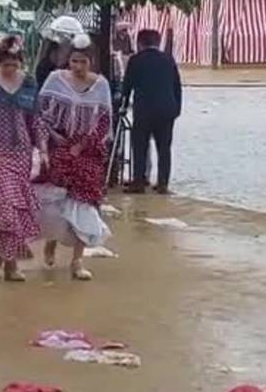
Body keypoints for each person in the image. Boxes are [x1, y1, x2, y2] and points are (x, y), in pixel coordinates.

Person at [0, 36, 49, 282]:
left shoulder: (29, 83)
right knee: (5, 205)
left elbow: (36, 120)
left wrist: (43, 149)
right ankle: (10, 263)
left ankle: (6, 260)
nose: (10, 69)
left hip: (22, 153)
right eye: (6, 64)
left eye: (14, 64)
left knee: (15, 208)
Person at [34, 33, 112, 281]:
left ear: (91, 62)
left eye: (83, 62)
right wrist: (50, 143)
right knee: (57, 203)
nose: (78, 67)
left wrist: (85, 144)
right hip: (59, 148)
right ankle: (52, 241)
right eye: (74, 61)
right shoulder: (55, 80)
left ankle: (77, 261)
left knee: (86, 205)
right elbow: (42, 114)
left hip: (88, 153)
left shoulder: (101, 85)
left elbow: (104, 121)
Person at [122, 29, 182, 195]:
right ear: (158, 42)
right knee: (164, 148)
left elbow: (127, 86)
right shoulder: (168, 60)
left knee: (139, 146)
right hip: (166, 111)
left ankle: (139, 181)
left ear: (139, 43)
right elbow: (177, 86)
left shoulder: (135, 60)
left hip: (144, 111)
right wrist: (177, 109)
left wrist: (123, 105)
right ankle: (163, 184)